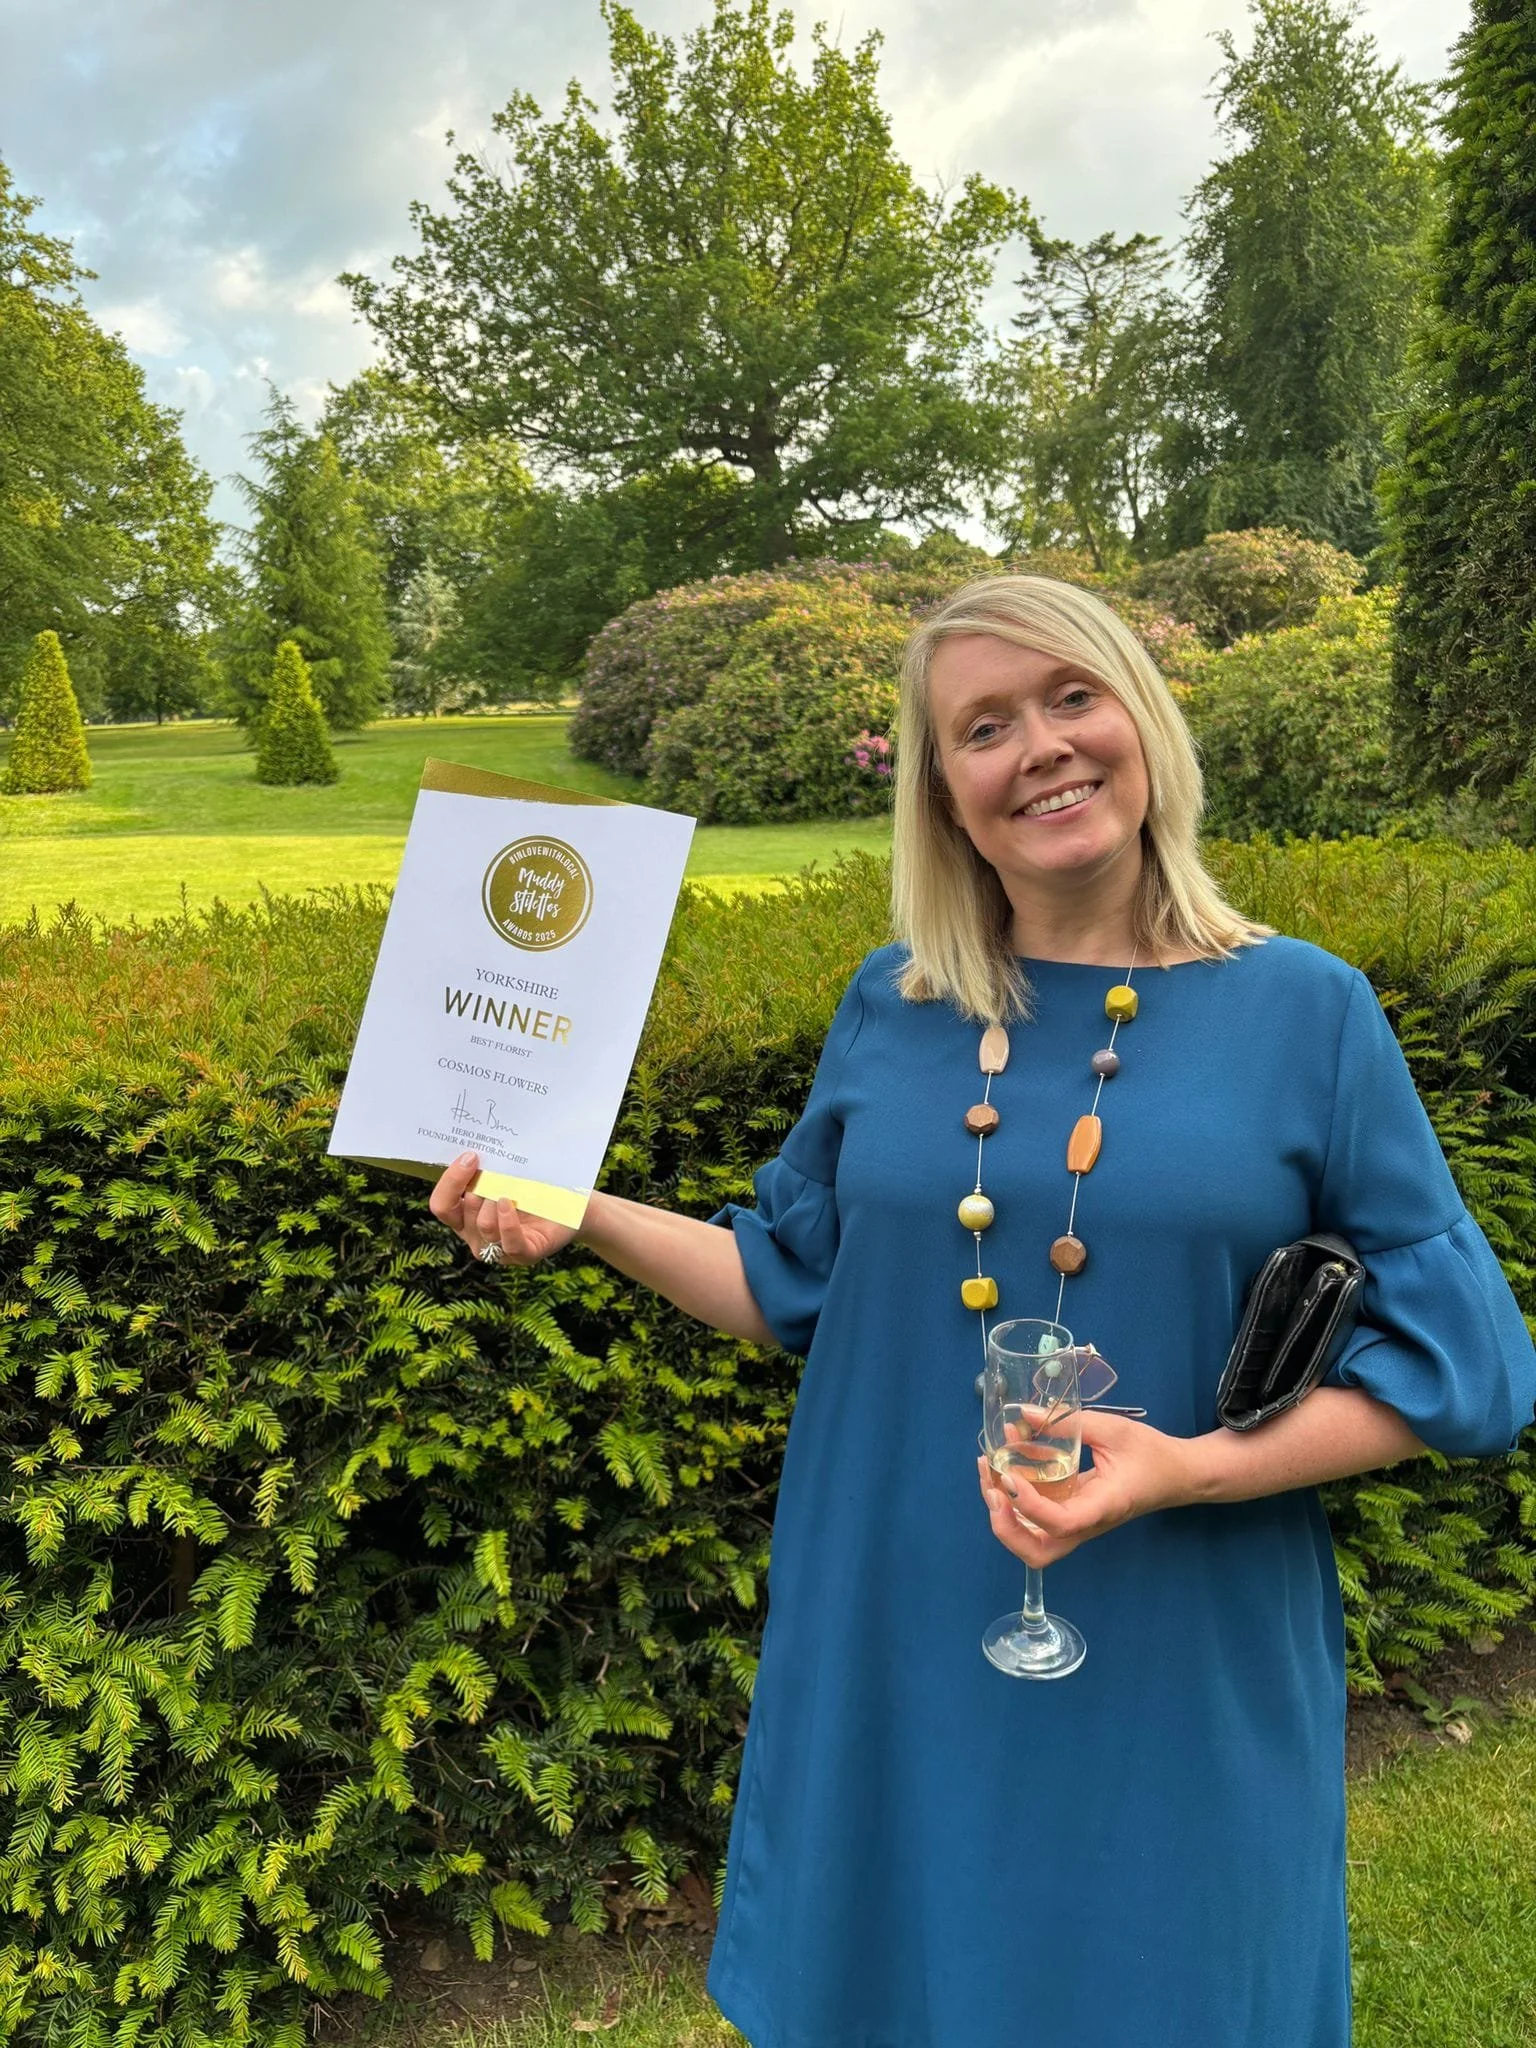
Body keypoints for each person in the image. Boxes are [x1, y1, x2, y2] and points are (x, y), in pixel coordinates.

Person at [430, 575, 1536, 2048]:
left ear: (1142, 722)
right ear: (945, 792)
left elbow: (1476, 1368)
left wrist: (1193, 1467)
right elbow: (786, 1285)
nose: (1043, 750)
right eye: (985, 727)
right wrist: (580, 1212)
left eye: (1073, 697)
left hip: (1178, 1634)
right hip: (893, 1617)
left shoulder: (1308, 1012)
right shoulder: (891, 1005)